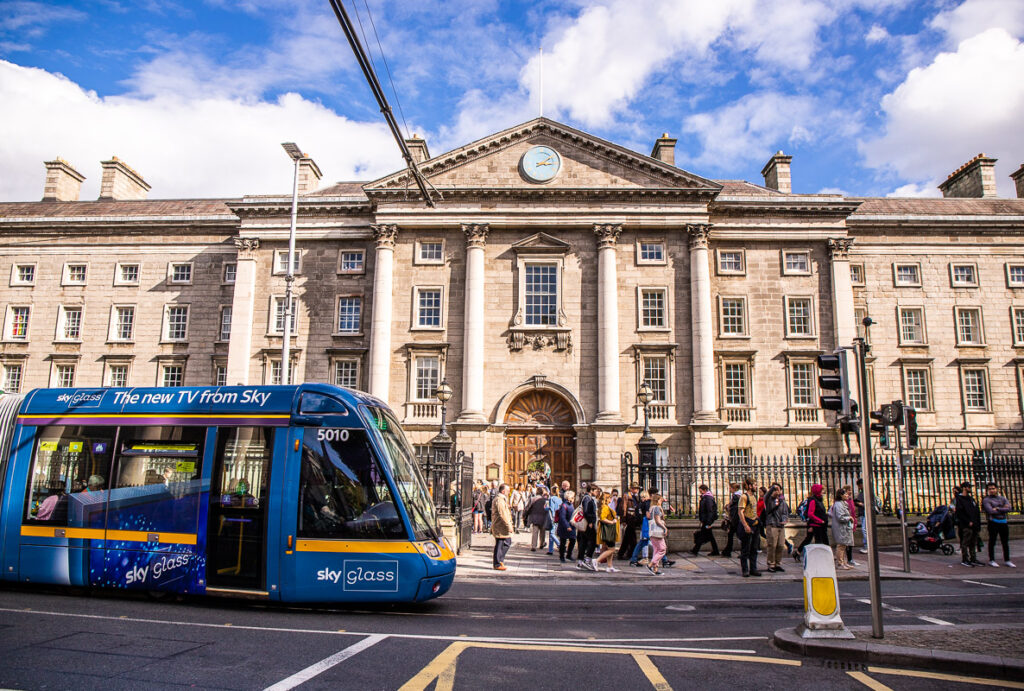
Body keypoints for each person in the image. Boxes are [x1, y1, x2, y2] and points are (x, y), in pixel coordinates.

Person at [982, 482, 1014, 568]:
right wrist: (1003, 508)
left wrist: (998, 508)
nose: (991, 490)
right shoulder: (986, 500)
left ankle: (1007, 560)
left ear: (996, 489)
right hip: (993, 522)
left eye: (993, 488)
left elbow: (1009, 508)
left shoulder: (1002, 498)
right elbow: (990, 511)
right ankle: (992, 560)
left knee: (1005, 542)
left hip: (1003, 522)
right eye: (990, 489)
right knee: (992, 541)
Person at [736, 477, 761, 577]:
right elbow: (740, 512)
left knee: (754, 548)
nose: (756, 486)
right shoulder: (744, 497)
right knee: (745, 549)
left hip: (755, 524)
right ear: (750, 486)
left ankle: (753, 568)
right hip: (748, 524)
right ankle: (745, 569)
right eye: (754, 485)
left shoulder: (754, 496)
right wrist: (745, 525)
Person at [763, 483, 789, 572]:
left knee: (780, 545)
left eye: (778, 490)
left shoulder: (782, 501)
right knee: (772, 545)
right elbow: (766, 496)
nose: (776, 492)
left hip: (780, 525)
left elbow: (785, 512)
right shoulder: (769, 500)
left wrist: (784, 519)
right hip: (772, 524)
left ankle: (778, 563)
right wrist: (772, 488)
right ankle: (771, 563)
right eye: (774, 490)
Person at [955, 482, 982, 566]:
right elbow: (960, 513)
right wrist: (967, 521)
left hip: (974, 524)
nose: (970, 488)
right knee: (965, 542)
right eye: (968, 487)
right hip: (966, 525)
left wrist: (976, 522)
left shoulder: (971, 499)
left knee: (973, 542)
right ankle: (965, 559)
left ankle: (973, 558)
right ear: (964, 488)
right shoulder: (959, 499)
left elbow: (976, 511)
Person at [576, 484, 600, 571]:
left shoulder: (587, 498)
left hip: (587, 523)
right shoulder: (587, 498)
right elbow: (586, 511)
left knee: (584, 542)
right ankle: (587, 559)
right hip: (587, 523)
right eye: (596, 491)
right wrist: (590, 521)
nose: (597, 492)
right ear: (592, 490)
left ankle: (580, 561)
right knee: (593, 541)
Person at [691, 485, 720, 556]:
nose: (699, 491)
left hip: (707, 521)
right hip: (705, 520)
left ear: (704, 490)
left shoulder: (708, 498)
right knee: (709, 535)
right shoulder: (705, 497)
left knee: (704, 534)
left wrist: (709, 523)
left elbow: (710, 511)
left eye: (700, 490)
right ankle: (715, 551)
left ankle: (695, 550)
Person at [595, 490, 620, 572]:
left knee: (610, 549)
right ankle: (596, 560)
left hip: (609, 530)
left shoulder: (606, 507)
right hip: (608, 530)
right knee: (612, 549)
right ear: (607, 499)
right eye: (610, 498)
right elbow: (602, 518)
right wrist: (612, 522)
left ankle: (610, 566)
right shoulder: (605, 508)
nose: (611, 499)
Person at [829, 488, 854, 570]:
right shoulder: (839, 504)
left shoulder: (843, 503)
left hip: (844, 528)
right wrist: (849, 518)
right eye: (845, 494)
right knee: (841, 546)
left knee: (844, 546)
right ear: (841, 495)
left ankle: (844, 562)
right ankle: (840, 563)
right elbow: (840, 517)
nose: (847, 495)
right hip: (841, 528)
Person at [490, 483, 513, 571]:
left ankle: (500, 560)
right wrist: (509, 525)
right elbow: (502, 514)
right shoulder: (499, 500)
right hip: (500, 526)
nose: (508, 492)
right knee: (500, 544)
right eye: (507, 490)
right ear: (503, 491)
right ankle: (497, 563)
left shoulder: (502, 499)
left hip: (502, 526)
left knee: (506, 542)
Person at [617, 483, 642, 560]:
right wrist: (624, 520)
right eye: (635, 488)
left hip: (633, 519)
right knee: (632, 539)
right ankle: (631, 554)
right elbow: (623, 508)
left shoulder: (635, 497)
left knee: (627, 538)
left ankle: (622, 553)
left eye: (637, 488)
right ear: (631, 488)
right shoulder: (627, 496)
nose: (636, 490)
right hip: (629, 519)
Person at [647, 493, 669, 575]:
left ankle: (655, 569)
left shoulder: (652, 508)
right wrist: (664, 528)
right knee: (662, 549)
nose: (662, 501)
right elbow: (658, 520)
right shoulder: (656, 508)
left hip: (652, 532)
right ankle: (650, 564)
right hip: (658, 531)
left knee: (656, 550)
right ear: (657, 500)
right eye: (660, 500)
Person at [629, 490, 652, 566]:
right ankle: (636, 558)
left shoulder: (640, 504)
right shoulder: (647, 504)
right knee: (655, 544)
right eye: (641, 497)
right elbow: (648, 515)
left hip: (643, 524)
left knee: (643, 543)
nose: (642, 498)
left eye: (642, 497)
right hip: (647, 525)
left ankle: (634, 559)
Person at [721, 482, 741, 558]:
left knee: (737, 535)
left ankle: (728, 551)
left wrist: (728, 507)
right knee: (731, 535)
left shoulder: (736, 497)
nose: (729, 489)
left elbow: (732, 508)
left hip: (735, 519)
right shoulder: (738, 496)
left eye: (730, 488)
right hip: (736, 519)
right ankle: (727, 550)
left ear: (734, 489)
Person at [556, 490, 577, 563]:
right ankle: (562, 556)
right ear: (569, 498)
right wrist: (567, 526)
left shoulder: (571, 505)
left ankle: (569, 554)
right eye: (572, 497)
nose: (573, 499)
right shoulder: (564, 505)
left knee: (573, 540)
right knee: (563, 542)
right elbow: (562, 517)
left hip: (571, 525)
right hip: (564, 526)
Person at [525, 487, 548, 551]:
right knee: (542, 531)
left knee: (535, 532)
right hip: (543, 517)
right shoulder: (545, 500)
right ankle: (542, 543)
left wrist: (525, 514)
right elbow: (547, 509)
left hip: (534, 516)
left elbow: (528, 507)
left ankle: (534, 546)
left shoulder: (533, 499)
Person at [843, 484, 859, 566]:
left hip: (851, 522)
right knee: (847, 542)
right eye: (849, 490)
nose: (850, 492)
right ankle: (848, 559)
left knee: (850, 542)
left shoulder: (850, 500)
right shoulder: (844, 501)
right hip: (847, 523)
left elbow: (853, 511)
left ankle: (849, 558)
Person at [546, 489, 563, 555]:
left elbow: (551, 508)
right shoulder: (559, 499)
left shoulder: (552, 498)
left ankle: (560, 545)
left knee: (552, 533)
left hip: (553, 517)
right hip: (558, 517)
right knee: (551, 533)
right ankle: (550, 550)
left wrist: (545, 508)